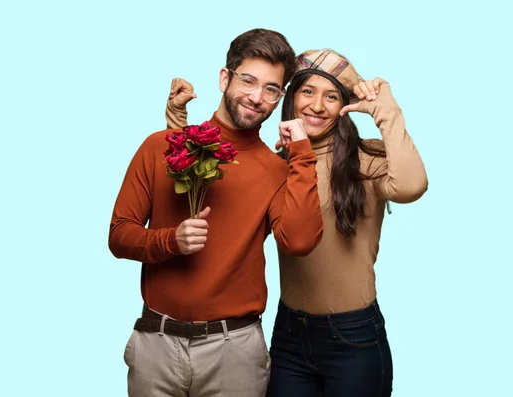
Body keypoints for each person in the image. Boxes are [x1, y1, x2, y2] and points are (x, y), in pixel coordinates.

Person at [165, 48, 428, 396]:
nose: (317, 106)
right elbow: (204, 185)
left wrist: (385, 109)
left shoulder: (366, 160)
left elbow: (412, 186)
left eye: (332, 96)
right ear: (289, 98)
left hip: (353, 337)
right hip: (289, 335)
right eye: (307, 91)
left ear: (345, 105)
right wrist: (176, 116)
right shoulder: (277, 165)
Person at [108, 29, 324, 397]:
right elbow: (119, 235)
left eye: (271, 89)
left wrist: (302, 154)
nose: (257, 97)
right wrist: (170, 240)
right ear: (225, 78)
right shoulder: (163, 146)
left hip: (234, 351)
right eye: (248, 81)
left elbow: (300, 241)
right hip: (156, 342)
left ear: (279, 98)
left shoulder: (276, 171)